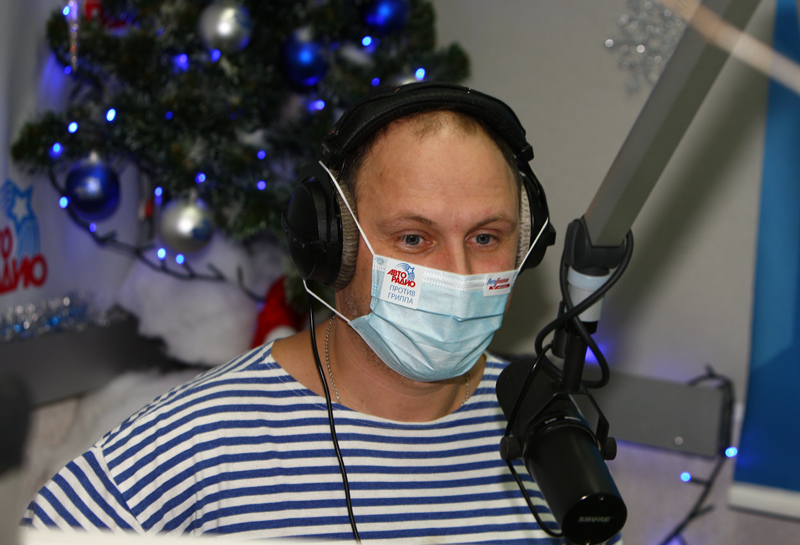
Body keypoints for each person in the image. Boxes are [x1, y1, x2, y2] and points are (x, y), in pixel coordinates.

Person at [22, 83, 617, 544]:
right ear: (333, 245)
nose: (458, 274)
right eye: (414, 238)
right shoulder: (197, 442)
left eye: (486, 238)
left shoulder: (548, 430)